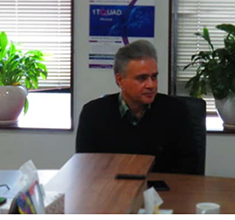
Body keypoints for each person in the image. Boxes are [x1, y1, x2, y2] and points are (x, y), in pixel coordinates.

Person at [76, 40, 198, 174]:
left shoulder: (176, 111)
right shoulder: (93, 114)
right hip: (110, 186)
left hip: (163, 186)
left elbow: (190, 169)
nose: (151, 85)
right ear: (120, 80)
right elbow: (86, 169)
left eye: (154, 77)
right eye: (142, 78)